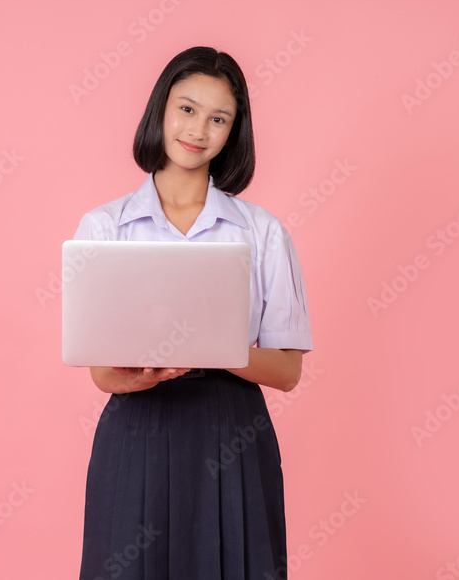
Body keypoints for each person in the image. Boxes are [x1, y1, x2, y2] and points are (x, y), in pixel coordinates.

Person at [73, 46, 313, 580]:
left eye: (218, 118)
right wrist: (140, 374)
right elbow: (102, 373)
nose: (198, 129)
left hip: (232, 434)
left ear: (233, 132)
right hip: (138, 431)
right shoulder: (104, 227)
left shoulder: (262, 232)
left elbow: (289, 371)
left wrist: (213, 343)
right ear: (161, 109)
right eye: (187, 108)